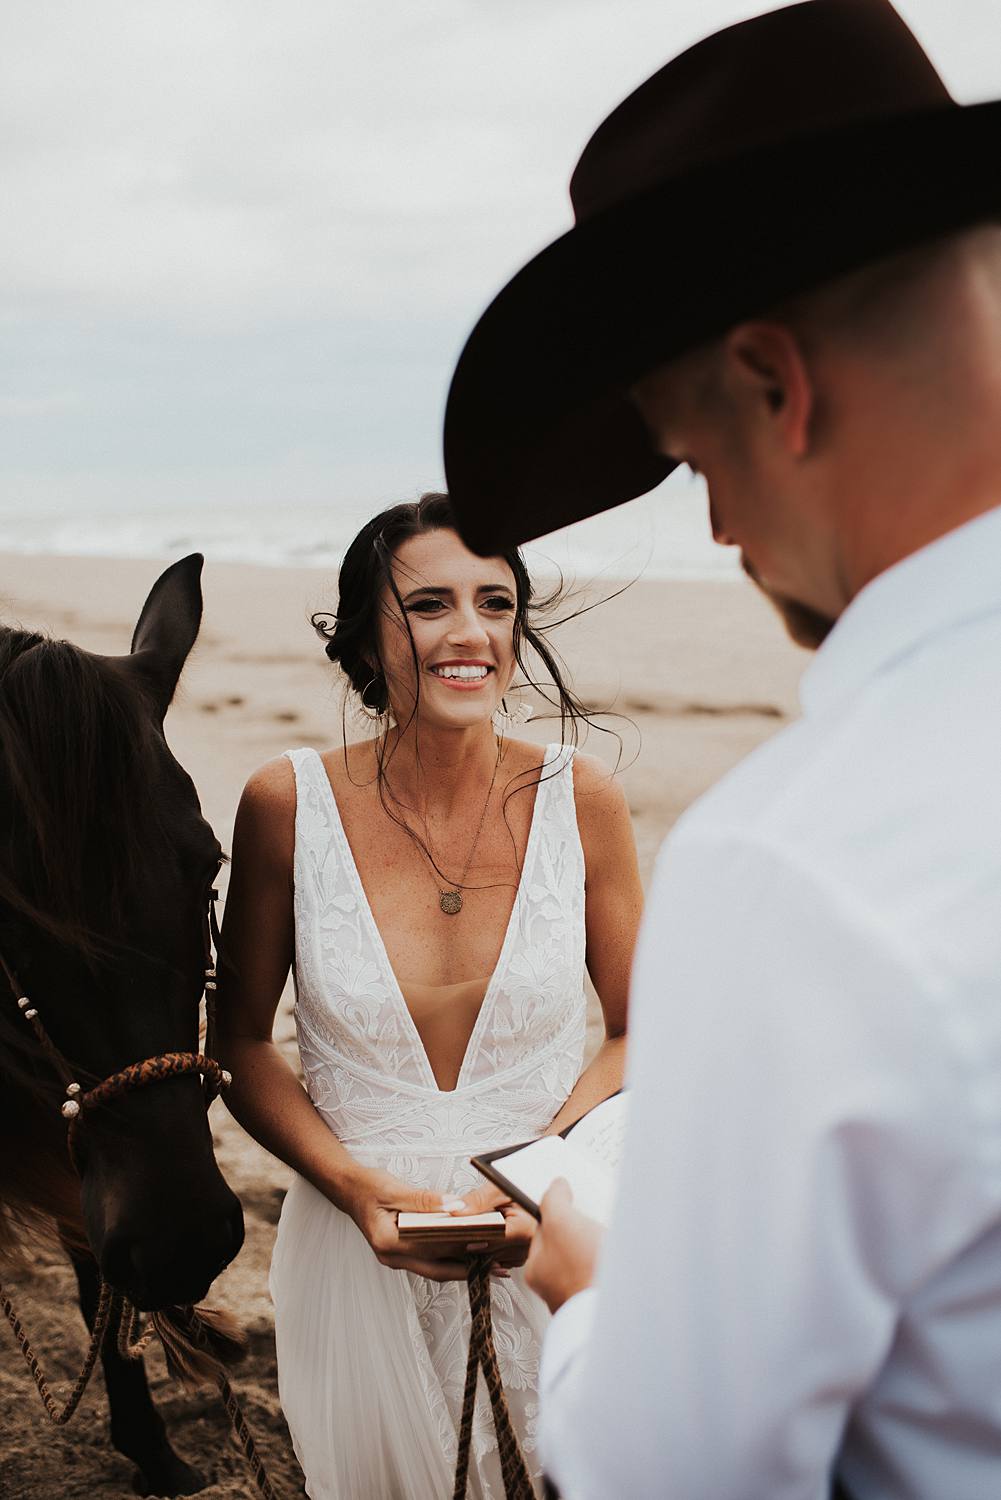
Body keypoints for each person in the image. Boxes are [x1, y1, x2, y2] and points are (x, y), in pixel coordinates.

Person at [441, 1, 1001, 1496]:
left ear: (774, 385)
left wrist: (590, 1299)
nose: (723, 528)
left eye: (696, 461)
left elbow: (675, 1470)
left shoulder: (800, 864)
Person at [215, 492, 642, 1498]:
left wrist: (539, 1175)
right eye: (429, 604)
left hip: (550, 1225)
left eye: (494, 604)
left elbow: (635, 1031)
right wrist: (359, 1193)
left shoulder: (581, 800)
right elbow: (238, 1045)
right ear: (366, 633)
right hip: (354, 1238)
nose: (468, 634)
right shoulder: (285, 806)